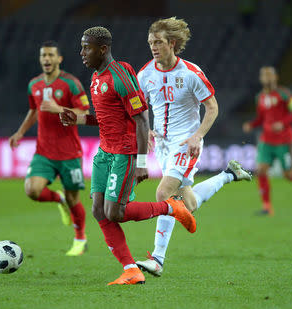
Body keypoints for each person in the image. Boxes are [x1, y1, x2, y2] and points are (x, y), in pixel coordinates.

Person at [60, 26, 196, 285]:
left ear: (103, 49)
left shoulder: (120, 75)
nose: (81, 53)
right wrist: (78, 118)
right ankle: (131, 269)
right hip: (104, 153)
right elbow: (105, 118)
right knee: (99, 211)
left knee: (115, 212)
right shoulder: (97, 77)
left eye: (86, 47)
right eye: (82, 47)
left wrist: (142, 163)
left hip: (124, 152)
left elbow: (142, 119)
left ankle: (171, 207)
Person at [134, 17, 252, 277]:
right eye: (150, 42)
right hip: (163, 146)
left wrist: (197, 136)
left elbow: (212, 106)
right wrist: (149, 129)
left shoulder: (190, 73)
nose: (153, 47)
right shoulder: (145, 74)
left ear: (172, 43)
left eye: (158, 42)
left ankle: (157, 259)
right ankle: (229, 174)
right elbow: (140, 107)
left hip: (186, 144)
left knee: (163, 193)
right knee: (189, 203)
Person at [9, 41, 90, 256]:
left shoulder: (71, 84)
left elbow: (84, 112)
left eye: (51, 55)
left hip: (69, 153)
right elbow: (34, 110)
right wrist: (20, 132)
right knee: (32, 190)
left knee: (75, 200)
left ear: (59, 59)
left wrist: (58, 108)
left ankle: (80, 239)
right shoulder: (34, 85)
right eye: (43, 55)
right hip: (43, 151)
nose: (46, 59)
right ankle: (58, 198)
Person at [243, 66, 292, 215]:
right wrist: (251, 125)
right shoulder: (259, 97)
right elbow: (261, 119)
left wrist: (283, 123)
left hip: (283, 142)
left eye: (269, 75)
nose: (266, 78)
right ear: (261, 79)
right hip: (266, 141)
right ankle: (267, 207)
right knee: (261, 171)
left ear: (275, 78)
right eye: (264, 76)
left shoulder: (284, 94)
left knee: (289, 175)